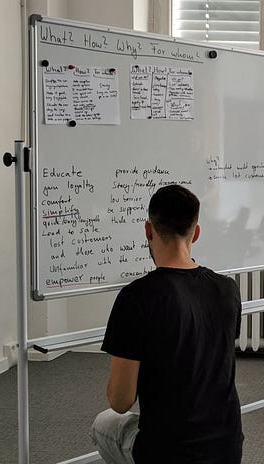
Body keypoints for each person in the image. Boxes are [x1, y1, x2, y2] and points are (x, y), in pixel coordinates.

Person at [90, 185, 243, 463]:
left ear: (148, 231)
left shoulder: (136, 297)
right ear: (196, 233)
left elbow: (120, 402)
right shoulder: (227, 289)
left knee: (104, 423)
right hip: (227, 448)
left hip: (169, 453)